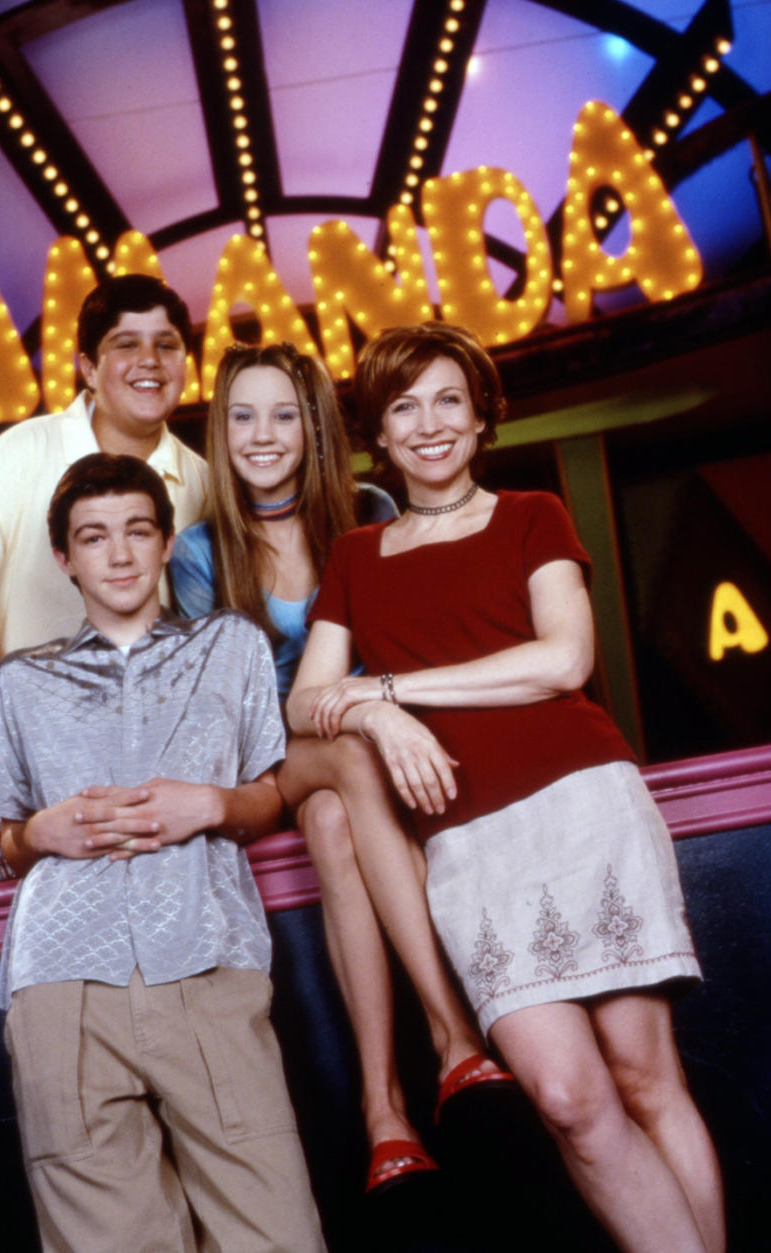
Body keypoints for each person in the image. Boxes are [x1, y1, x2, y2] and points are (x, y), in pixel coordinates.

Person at [287, 322, 725, 1253]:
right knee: (567, 1099)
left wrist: (390, 686)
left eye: (450, 399)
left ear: (483, 416)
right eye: (404, 407)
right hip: (467, 842)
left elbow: (565, 658)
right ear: (380, 434)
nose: (430, 423)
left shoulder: (533, 513)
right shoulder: (355, 559)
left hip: (581, 802)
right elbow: (305, 703)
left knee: (646, 1077)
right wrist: (374, 716)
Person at [170, 342, 507, 1196]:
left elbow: (401, 645)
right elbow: (234, 713)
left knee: (333, 820)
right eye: (242, 414)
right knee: (344, 761)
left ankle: (383, 1114)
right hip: (272, 759)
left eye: (284, 412)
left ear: (314, 425)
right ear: (219, 430)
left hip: (368, 758)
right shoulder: (200, 550)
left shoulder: (368, 508)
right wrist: (372, 710)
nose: (262, 433)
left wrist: (384, 709)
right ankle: (454, 1036)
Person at [0, 452, 326, 1253]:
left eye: (138, 530)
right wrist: (38, 833)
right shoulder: (22, 683)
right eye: (94, 537)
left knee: (278, 1234)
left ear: (168, 542)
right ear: (65, 559)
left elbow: (271, 793)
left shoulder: (230, 647)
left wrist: (210, 804)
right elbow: (3, 839)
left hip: (206, 955)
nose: (121, 553)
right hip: (61, 980)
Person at [0, 274, 208, 882]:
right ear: (88, 368)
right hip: (19, 752)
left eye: (167, 344)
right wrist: (44, 733)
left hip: (158, 757)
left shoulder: (203, 483)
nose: (150, 360)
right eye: (126, 344)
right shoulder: (16, 458)